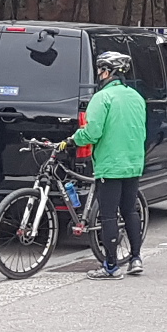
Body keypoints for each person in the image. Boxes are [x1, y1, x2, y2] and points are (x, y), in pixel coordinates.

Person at [66, 49, 148, 279]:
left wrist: (73, 140)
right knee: (129, 210)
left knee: (109, 214)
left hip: (110, 164)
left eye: (101, 69)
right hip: (133, 163)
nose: (99, 74)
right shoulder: (136, 97)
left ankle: (111, 266)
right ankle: (135, 258)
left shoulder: (102, 98)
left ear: (108, 72)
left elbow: (92, 132)